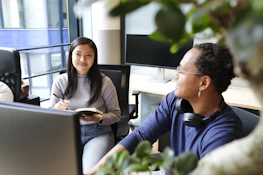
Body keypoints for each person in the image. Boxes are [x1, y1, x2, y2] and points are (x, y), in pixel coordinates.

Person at [86, 43, 243, 174]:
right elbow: (140, 137)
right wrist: (96, 170)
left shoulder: (224, 134)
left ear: (203, 83)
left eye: (182, 70)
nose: (176, 75)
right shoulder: (175, 101)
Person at [49, 36, 121, 173]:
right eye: (78, 54)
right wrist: (56, 109)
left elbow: (116, 114)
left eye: (88, 55)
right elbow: (49, 114)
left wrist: (98, 118)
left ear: (94, 59)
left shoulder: (105, 82)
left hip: (98, 133)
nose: (83, 60)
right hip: (68, 133)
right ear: (71, 56)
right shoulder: (60, 81)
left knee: (89, 171)